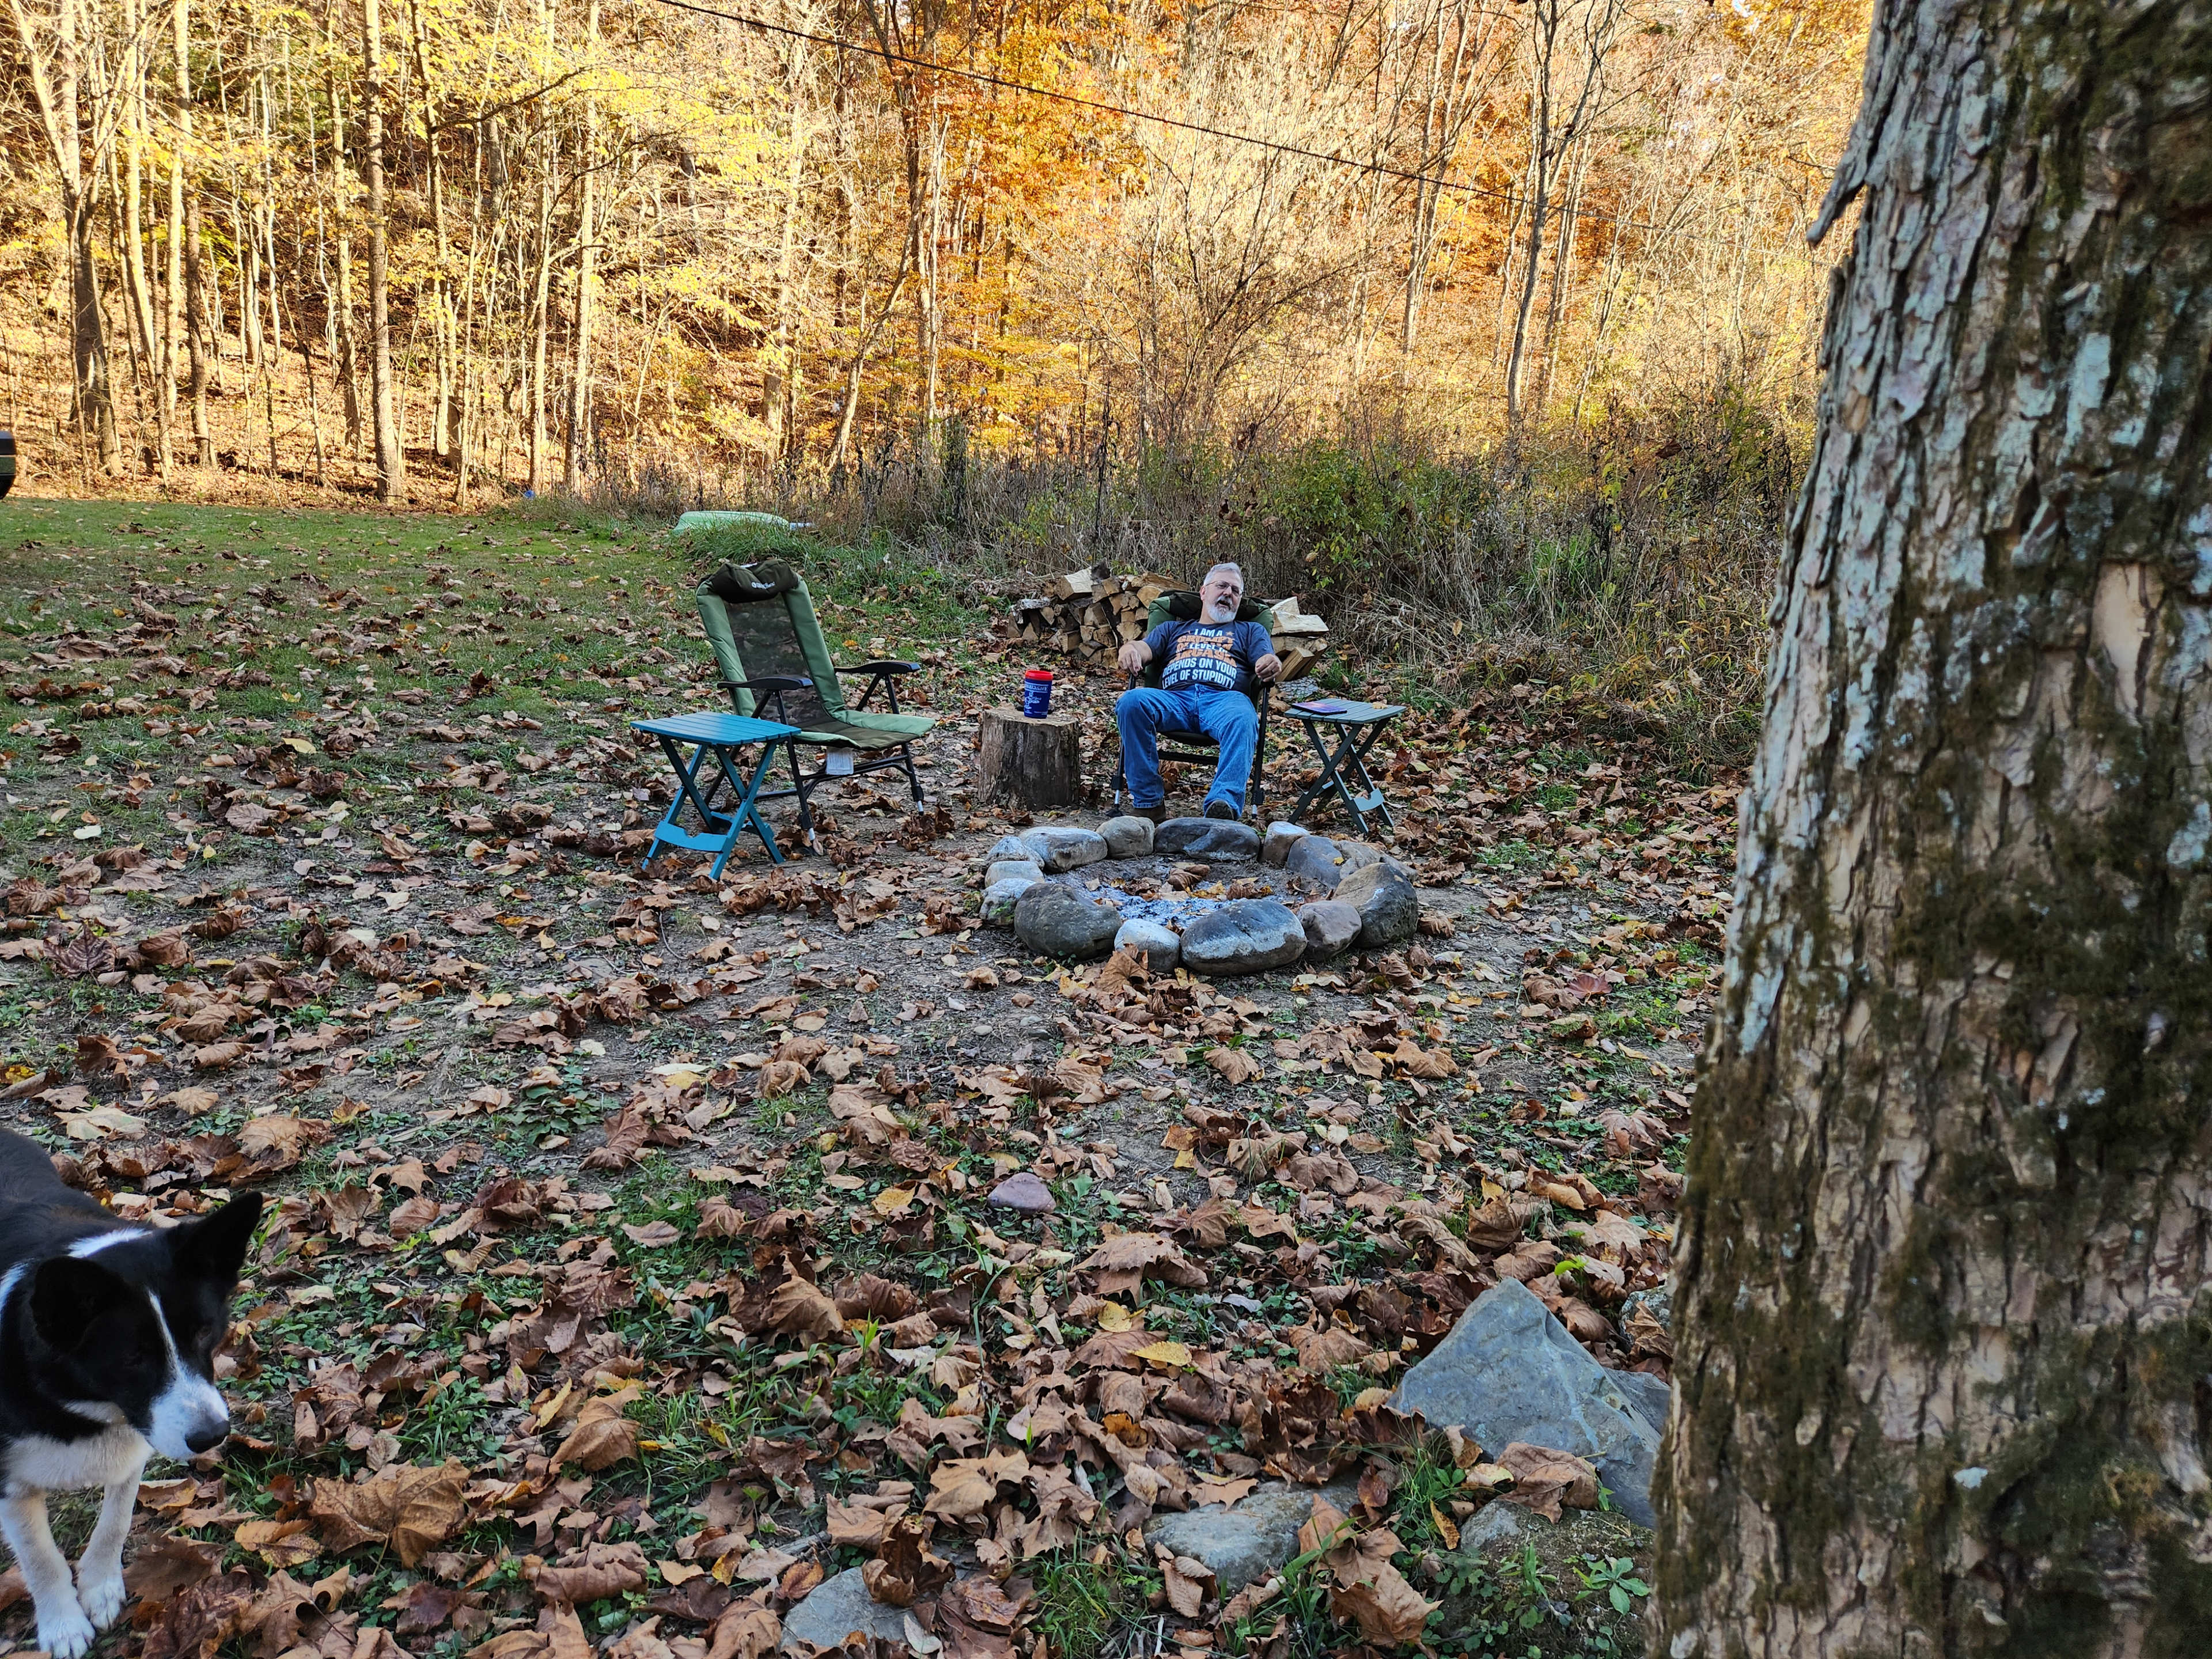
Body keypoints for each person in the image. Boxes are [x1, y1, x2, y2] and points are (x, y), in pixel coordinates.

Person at [1115, 562, 1282, 821]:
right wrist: (1129, 649)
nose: (1228, 593)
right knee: (1131, 702)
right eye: (1222, 586)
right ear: (1203, 592)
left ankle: (1223, 804)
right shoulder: (1173, 628)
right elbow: (1144, 648)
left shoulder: (1251, 631)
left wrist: (1270, 662)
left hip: (1224, 702)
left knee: (1244, 716)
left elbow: (1266, 657)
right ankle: (1148, 802)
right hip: (1174, 699)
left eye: (1235, 591)